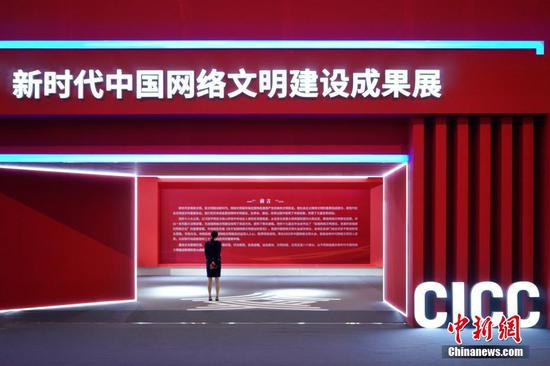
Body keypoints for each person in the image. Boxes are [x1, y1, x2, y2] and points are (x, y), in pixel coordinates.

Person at [204, 231, 222, 301]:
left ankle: (209, 296)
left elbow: (206, 254)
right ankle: (217, 296)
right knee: (217, 279)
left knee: (210, 279)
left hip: (209, 263)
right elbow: (218, 253)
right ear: (217, 236)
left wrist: (211, 262)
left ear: (210, 235)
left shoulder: (207, 243)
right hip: (217, 262)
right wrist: (214, 262)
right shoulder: (219, 243)